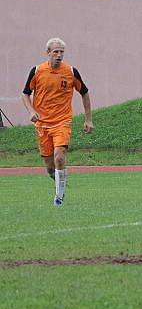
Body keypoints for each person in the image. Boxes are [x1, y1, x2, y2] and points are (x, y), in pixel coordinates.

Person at [21, 38, 94, 206]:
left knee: (59, 156)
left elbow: (84, 92)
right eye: (56, 52)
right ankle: (57, 180)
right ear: (48, 53)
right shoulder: (37, 71)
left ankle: (59, 197)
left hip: (62, 121)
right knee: (49, 166)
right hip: (42, 124)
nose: (59, 55)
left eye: (62, 52)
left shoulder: (70, 71)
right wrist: (32, 111)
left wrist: (88, 119)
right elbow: (25, 94)